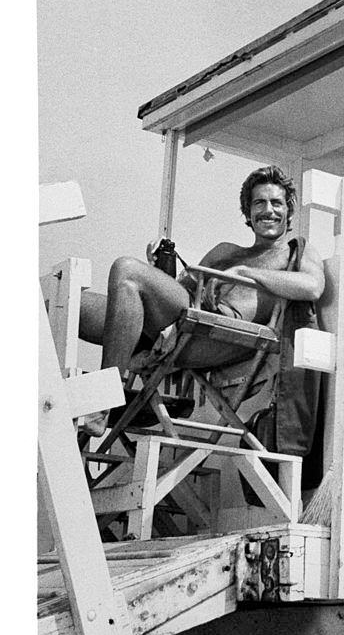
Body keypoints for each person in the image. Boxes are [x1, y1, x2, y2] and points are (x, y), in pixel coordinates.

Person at [77, 164, 325, 438]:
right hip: (181, 321)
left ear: (289, 210)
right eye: (259, 203)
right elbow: (181, 289)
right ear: (248, 211)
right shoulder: (225, 251)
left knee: (125, 268)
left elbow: (313, 287)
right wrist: (156, 269)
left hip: (211, 334)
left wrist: (246, 272)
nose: (269, 210)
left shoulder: (295, 252)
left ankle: (103, 403)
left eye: (277, 203)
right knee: (67, 301)